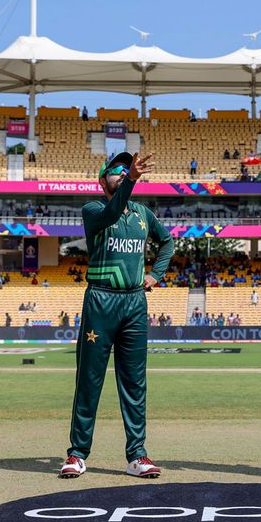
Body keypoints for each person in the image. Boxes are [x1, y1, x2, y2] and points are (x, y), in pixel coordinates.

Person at [60, 151, 174, 479]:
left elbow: (167, 243)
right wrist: (134, 180)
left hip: (134, 303)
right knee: (89, 379)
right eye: (115, 170)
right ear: (102, 179)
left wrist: (155, 275)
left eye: (127, 170)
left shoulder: (142, 214)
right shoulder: (94, 209)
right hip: (101, 300)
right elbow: (111, 213)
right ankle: (77, 453)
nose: (123, 173)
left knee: (135, 381)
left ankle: (137, 455)